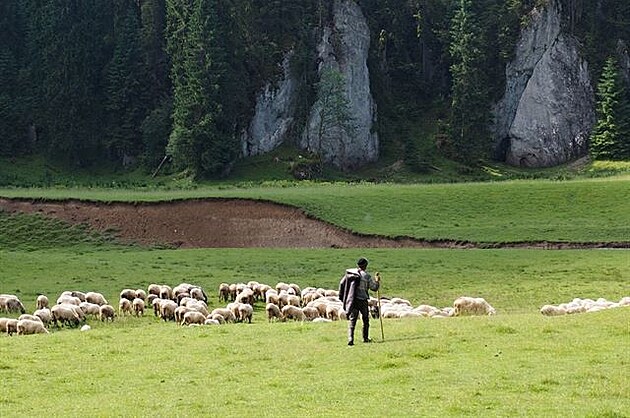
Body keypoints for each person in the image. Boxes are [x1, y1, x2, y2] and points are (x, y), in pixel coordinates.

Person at [338, 257, 380, 346]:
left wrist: (342, 297)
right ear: (365, 266)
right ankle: (365, 338)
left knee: (352, 320)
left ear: (358, 265)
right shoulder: (366, 276)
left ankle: (350, 339)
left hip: (352, 300)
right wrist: (377, 281)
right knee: (365, 319)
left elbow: (341, 284)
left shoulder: (350, 274)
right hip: (362, 300)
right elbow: (374, 288)